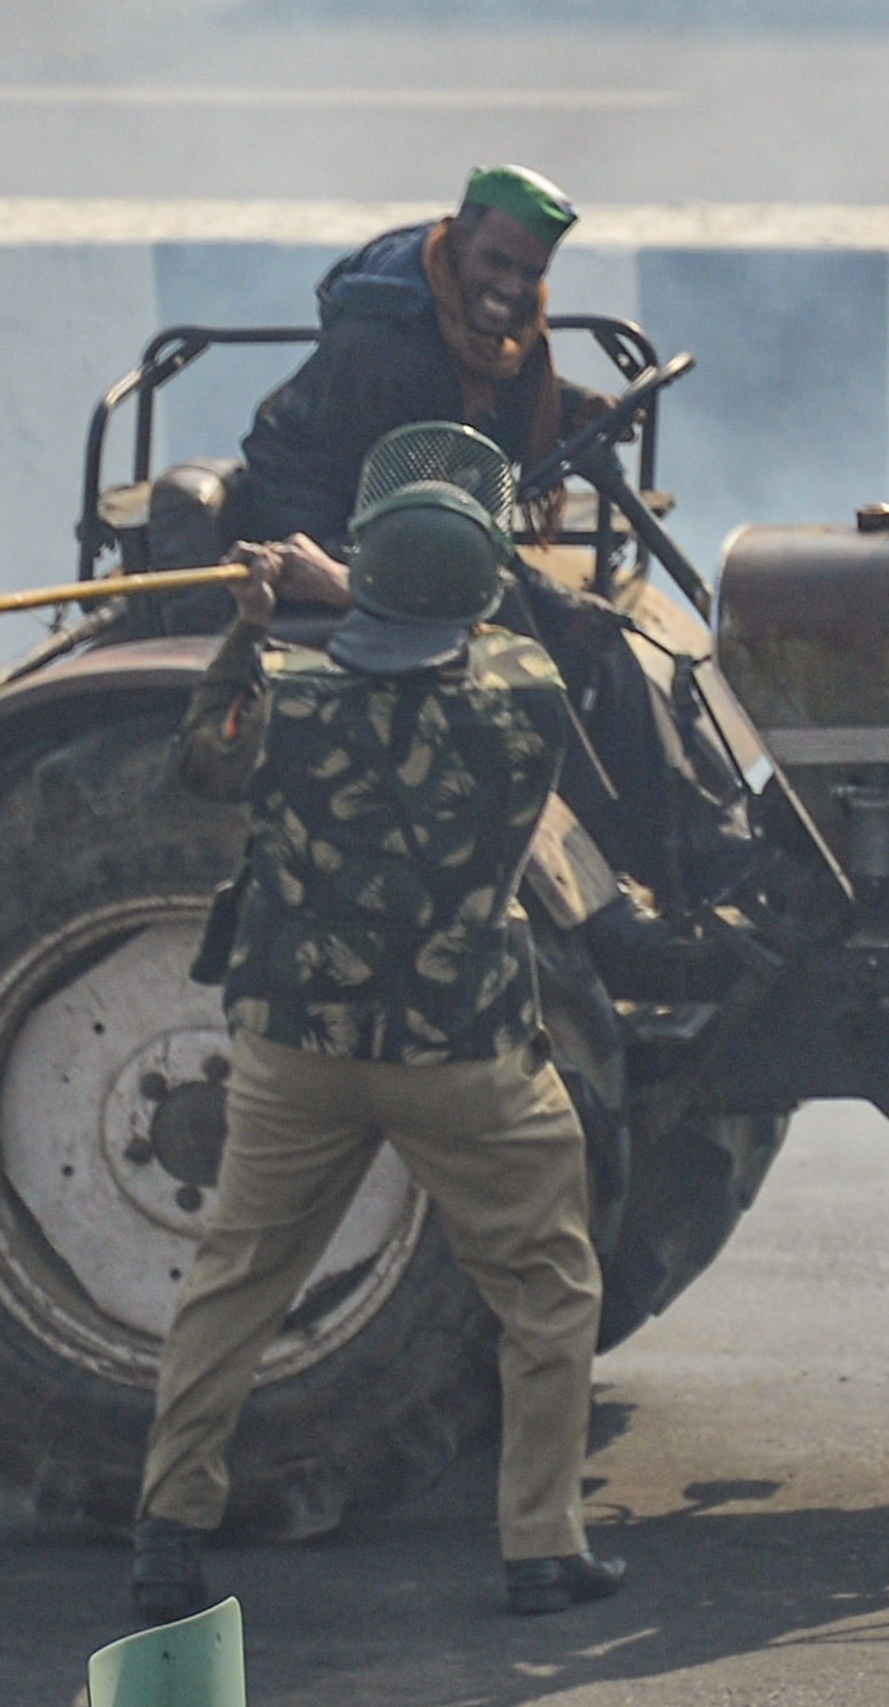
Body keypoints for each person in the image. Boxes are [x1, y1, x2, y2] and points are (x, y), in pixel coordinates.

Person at [133, 427, 627, 1627]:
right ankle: (541, 1550)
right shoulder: (523, 702)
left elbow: (200, 760)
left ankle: (167, 1533)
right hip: (462, 1054)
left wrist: (260, 614)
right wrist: (362, 582)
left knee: (237, 1284)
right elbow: (481, 630)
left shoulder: (287, 706)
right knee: (548, 1290)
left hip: (298, 1049)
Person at [228, 166, 607, 558]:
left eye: (531, 274)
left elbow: (495, 385)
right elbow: (433, 516)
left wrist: (574, 407)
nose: (512, 288)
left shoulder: (474, 330)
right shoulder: (389, 346)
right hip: (316, 529)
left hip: (390, 510)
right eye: (496, 262)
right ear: (459, 240)